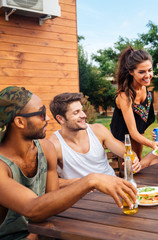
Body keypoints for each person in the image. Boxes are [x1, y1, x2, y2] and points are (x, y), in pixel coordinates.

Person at [0, 87, 137, 240]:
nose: (47, 118)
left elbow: (52, 203)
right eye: (40, 114)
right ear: (19, 122)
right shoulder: (2, 166)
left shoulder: (45, 148)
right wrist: (91, 180)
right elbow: (32, 208)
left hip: (45, 230)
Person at [49, 93, 141, 187]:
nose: (84, 115)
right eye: (76, 112)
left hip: (113, 187)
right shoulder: (54, 145)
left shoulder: (98, 131)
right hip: (83, 197)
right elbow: (50, 182)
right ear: (60, 119)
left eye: (82, 110)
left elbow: (127, 153)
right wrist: (86, 182)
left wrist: (134, 161)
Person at [110, 46, 158, 159]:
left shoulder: (145, 91)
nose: (147, 75)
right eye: (142, 72)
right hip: (120, 140)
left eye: (150, 70)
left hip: (138, 138)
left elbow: (139, 128)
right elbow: (133, 132)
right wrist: (152, 144)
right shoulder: (124, 96)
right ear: (131, 72)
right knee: (129, 170)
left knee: (139, 168)